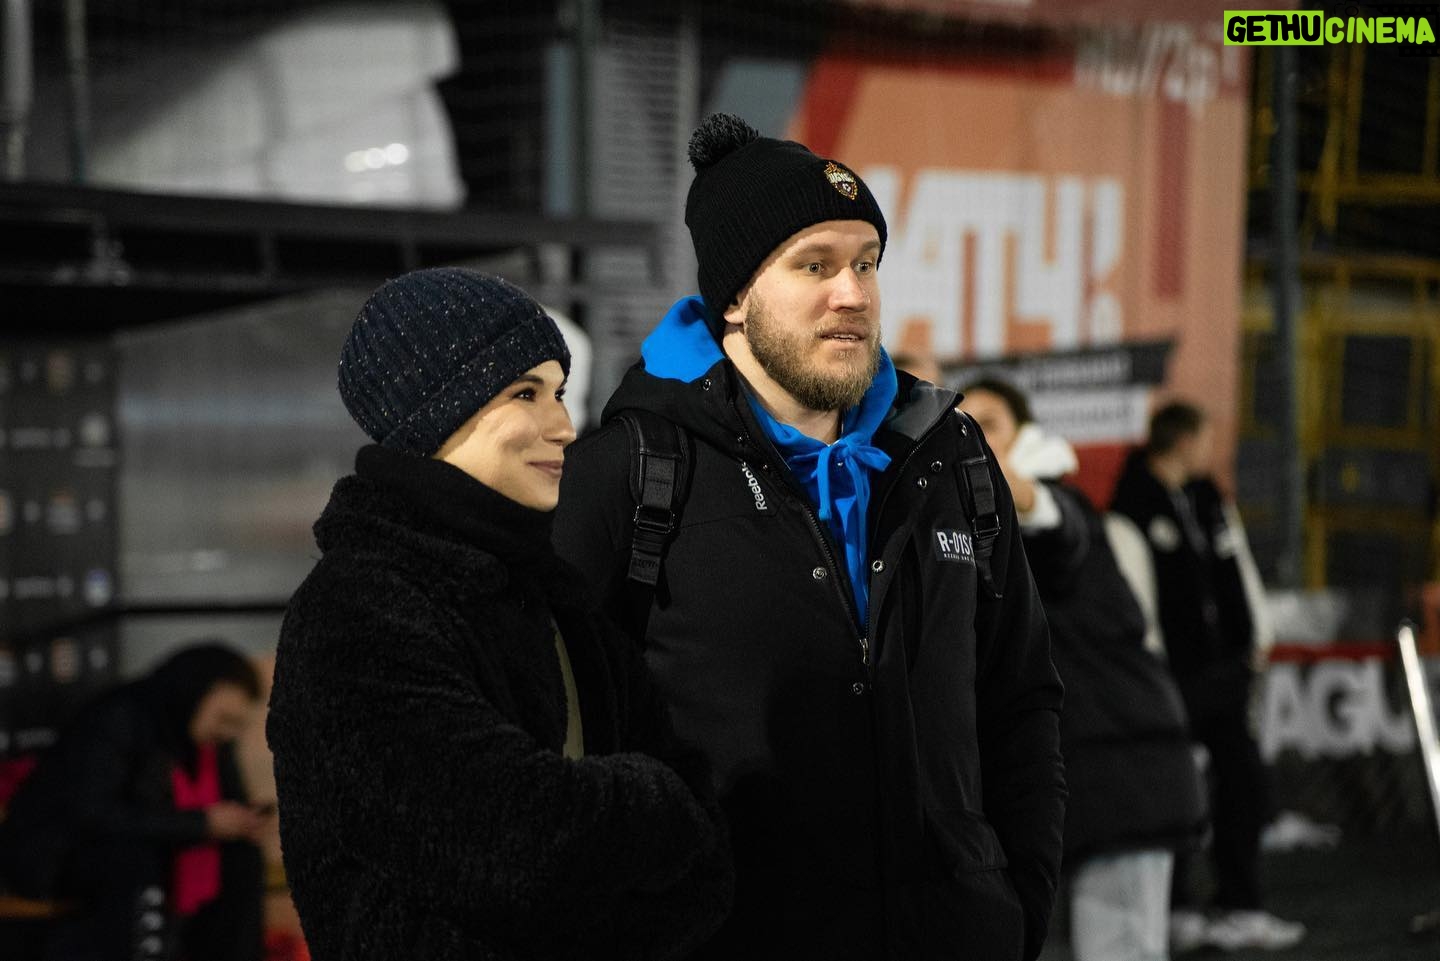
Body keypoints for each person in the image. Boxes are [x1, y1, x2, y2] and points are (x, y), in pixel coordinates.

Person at [552, 113, 1065, 960]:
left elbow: (1022, 696)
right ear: (735, 297)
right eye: (815, 265)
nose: (852, 293)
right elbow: (550, 745)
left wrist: (1017, 902)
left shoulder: (950, 455)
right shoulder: (632, 474)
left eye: (866, 262)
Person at [265, 267, 731, 961]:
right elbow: (514, 845)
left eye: (559, 393)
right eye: (525, 393)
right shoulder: (356, 607)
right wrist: (655, 802)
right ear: (436, 410)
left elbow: (706, 874)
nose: (564, 426)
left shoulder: (557, 597)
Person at [960, 378, 1208, 961]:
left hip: (1120, 780)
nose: (971, 440)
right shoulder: (969, 527)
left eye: (988, 425)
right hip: (1071, 789)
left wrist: (999, 480)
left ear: (1027, 437)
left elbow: (1048, 519)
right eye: (963, 428)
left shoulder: (1054, 506)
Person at [1110, 401, 1303, 952]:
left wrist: (1254, 636)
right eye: (1206, 439)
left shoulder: (1207, 498)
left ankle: (1240, 906)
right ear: (1184, 441)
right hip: (1168, 682)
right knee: (1171, 793)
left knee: (1244, 784)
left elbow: (1236, 568)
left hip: (1224, 676)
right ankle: (1175, 909)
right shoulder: (1131, 507)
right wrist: (1152, 675)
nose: (1212, 451)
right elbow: (1136, 600)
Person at [0, 641, 269, 961]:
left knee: (242, 857)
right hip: (58, 854)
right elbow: (91, 813)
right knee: (137, 859)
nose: (227, 732)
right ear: (193, 694)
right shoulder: (119, 716)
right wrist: (201, 823)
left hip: (144, 843)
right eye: (223, 718)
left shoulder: (208, 740)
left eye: (236, 725)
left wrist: (243, 821)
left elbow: (227, 800)